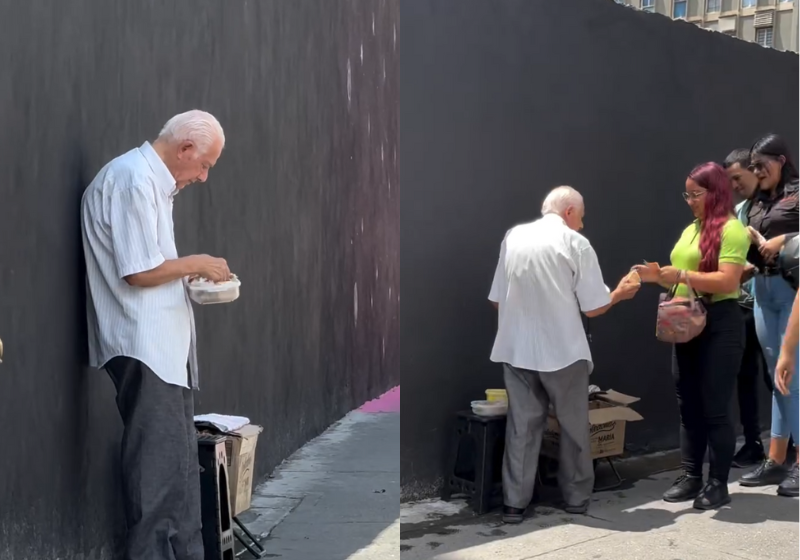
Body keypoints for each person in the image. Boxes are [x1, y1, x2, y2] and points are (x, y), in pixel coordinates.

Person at [81, 110, 231, 560]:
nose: (203, 177)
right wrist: (198, 263)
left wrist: (189, 281)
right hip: (143, 347)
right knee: (159, 479)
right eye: (204, 164)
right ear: (185, 149)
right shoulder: (132, 180)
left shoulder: (150, 183)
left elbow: (149, 266)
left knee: (181, 477)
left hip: (164, 350)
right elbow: (138, 271)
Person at [488, 186, 640, 524]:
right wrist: (620, 293)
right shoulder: (575, 243)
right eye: (581, 218)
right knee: (573, 427)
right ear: (570, 211)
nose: (582, 225)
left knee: (522, 427)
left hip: (516, 349)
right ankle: (575, 498)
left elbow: (497, 299)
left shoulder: (513, 237)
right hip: (563, 351)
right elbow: (596, 306)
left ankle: (514, 504)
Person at [634, 162, 749, 510]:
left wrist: (683, 273)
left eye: (696, 194)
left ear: (715, 192)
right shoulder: (691, 230)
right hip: (685, 319)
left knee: (715, 407)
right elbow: (683, 279)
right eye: (687, 194)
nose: (690, 201)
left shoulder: (733, 230)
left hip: (720, 322)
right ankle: (691, 475)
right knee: (688, 405)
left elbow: (728, 281)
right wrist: (658, 277)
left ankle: (718, 482)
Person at [737, 134, 799, 497]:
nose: (757, 172)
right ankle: (776, 459)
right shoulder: (756, 202)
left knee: (795, 374)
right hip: (762, 288)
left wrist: (787, 239)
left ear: (781, 160)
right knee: (776, 376)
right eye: (754, 167)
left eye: (762, 164)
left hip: (794, 288)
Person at [723, 149, 771, 467]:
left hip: (771, 305)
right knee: (745, 377)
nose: (735, 185)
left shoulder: (777, 209)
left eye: (738, 178)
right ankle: (752, 443)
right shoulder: (738, 212)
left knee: (776, 376)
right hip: (741, 306)